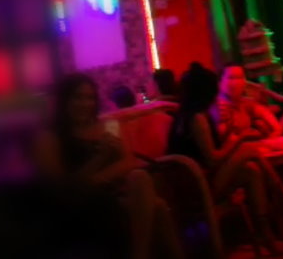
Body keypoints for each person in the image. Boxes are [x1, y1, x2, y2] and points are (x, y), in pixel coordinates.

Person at [35, 74, 184, 259]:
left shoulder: (107, 125)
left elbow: (128, 161)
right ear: (64, 100)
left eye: (90, 98)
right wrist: (100, 159)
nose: (85, 104)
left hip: (115, 192)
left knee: (140, 178)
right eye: (78, 97)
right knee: (158, 206)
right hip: (82, 203)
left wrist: (101, 175)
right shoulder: (50, 137)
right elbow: (63, 189)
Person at [169, 63, 283, 255]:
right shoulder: (197, 119)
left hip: (202, 179)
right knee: (248, 149)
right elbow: (212, 160)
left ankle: (267, 236)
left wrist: (231, 133)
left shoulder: (188, 115)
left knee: (252, 171)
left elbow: (211, 153)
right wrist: (240, 139)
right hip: (199, 187)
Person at [212, 64, 283, 140]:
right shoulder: (219, 107)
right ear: (220, 82)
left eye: (240, 77)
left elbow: (263, 112)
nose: (236, 82)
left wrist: (276, 131)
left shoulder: (244, 102)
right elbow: (228, 140)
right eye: (231, 78)